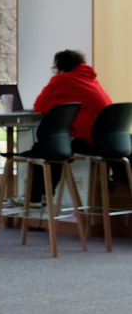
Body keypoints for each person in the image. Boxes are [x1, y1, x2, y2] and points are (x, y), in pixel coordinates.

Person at [29, 49, 113, 201]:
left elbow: (39, 105)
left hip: (92, 140)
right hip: (110, 139)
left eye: (54, 68)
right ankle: (41, 196)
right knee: (57, 144)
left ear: (60, 67)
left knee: (50, 145)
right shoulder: (90, 79)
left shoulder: (62, 79)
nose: (54, 72)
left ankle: (35, 198)